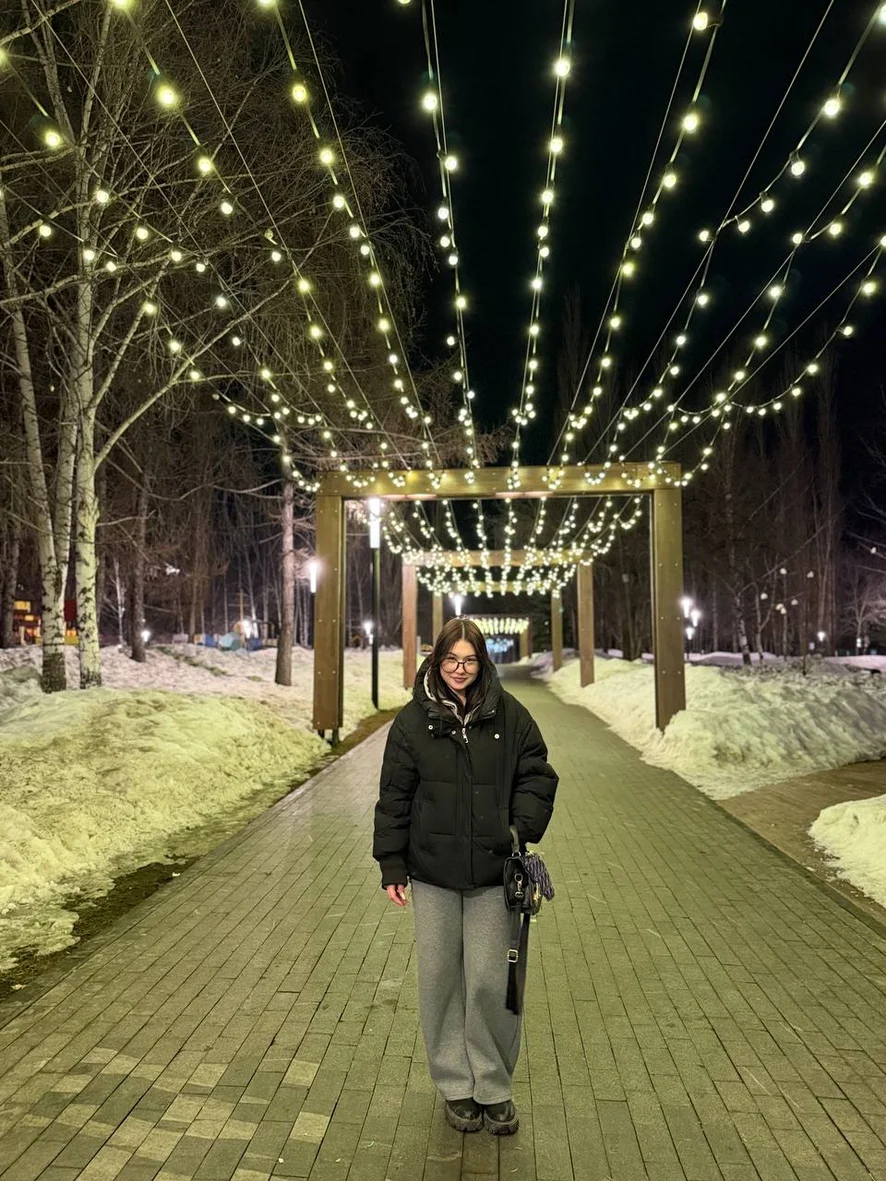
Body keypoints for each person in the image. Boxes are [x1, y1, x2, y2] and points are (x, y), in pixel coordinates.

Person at [373, 617, 558, 1136]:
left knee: (490, 982)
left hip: (493, 875)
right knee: (439, 980)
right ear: (436, 661)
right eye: (451, 660)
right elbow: (394, 797)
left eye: (469, 660)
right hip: (431, 872)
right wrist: (391, 864)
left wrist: (517, 829)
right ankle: (456, 1085)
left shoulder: (510, 715)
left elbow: (537, 776)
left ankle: (493, 1086)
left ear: (482, 662)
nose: (459, 669)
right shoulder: (412, 722)